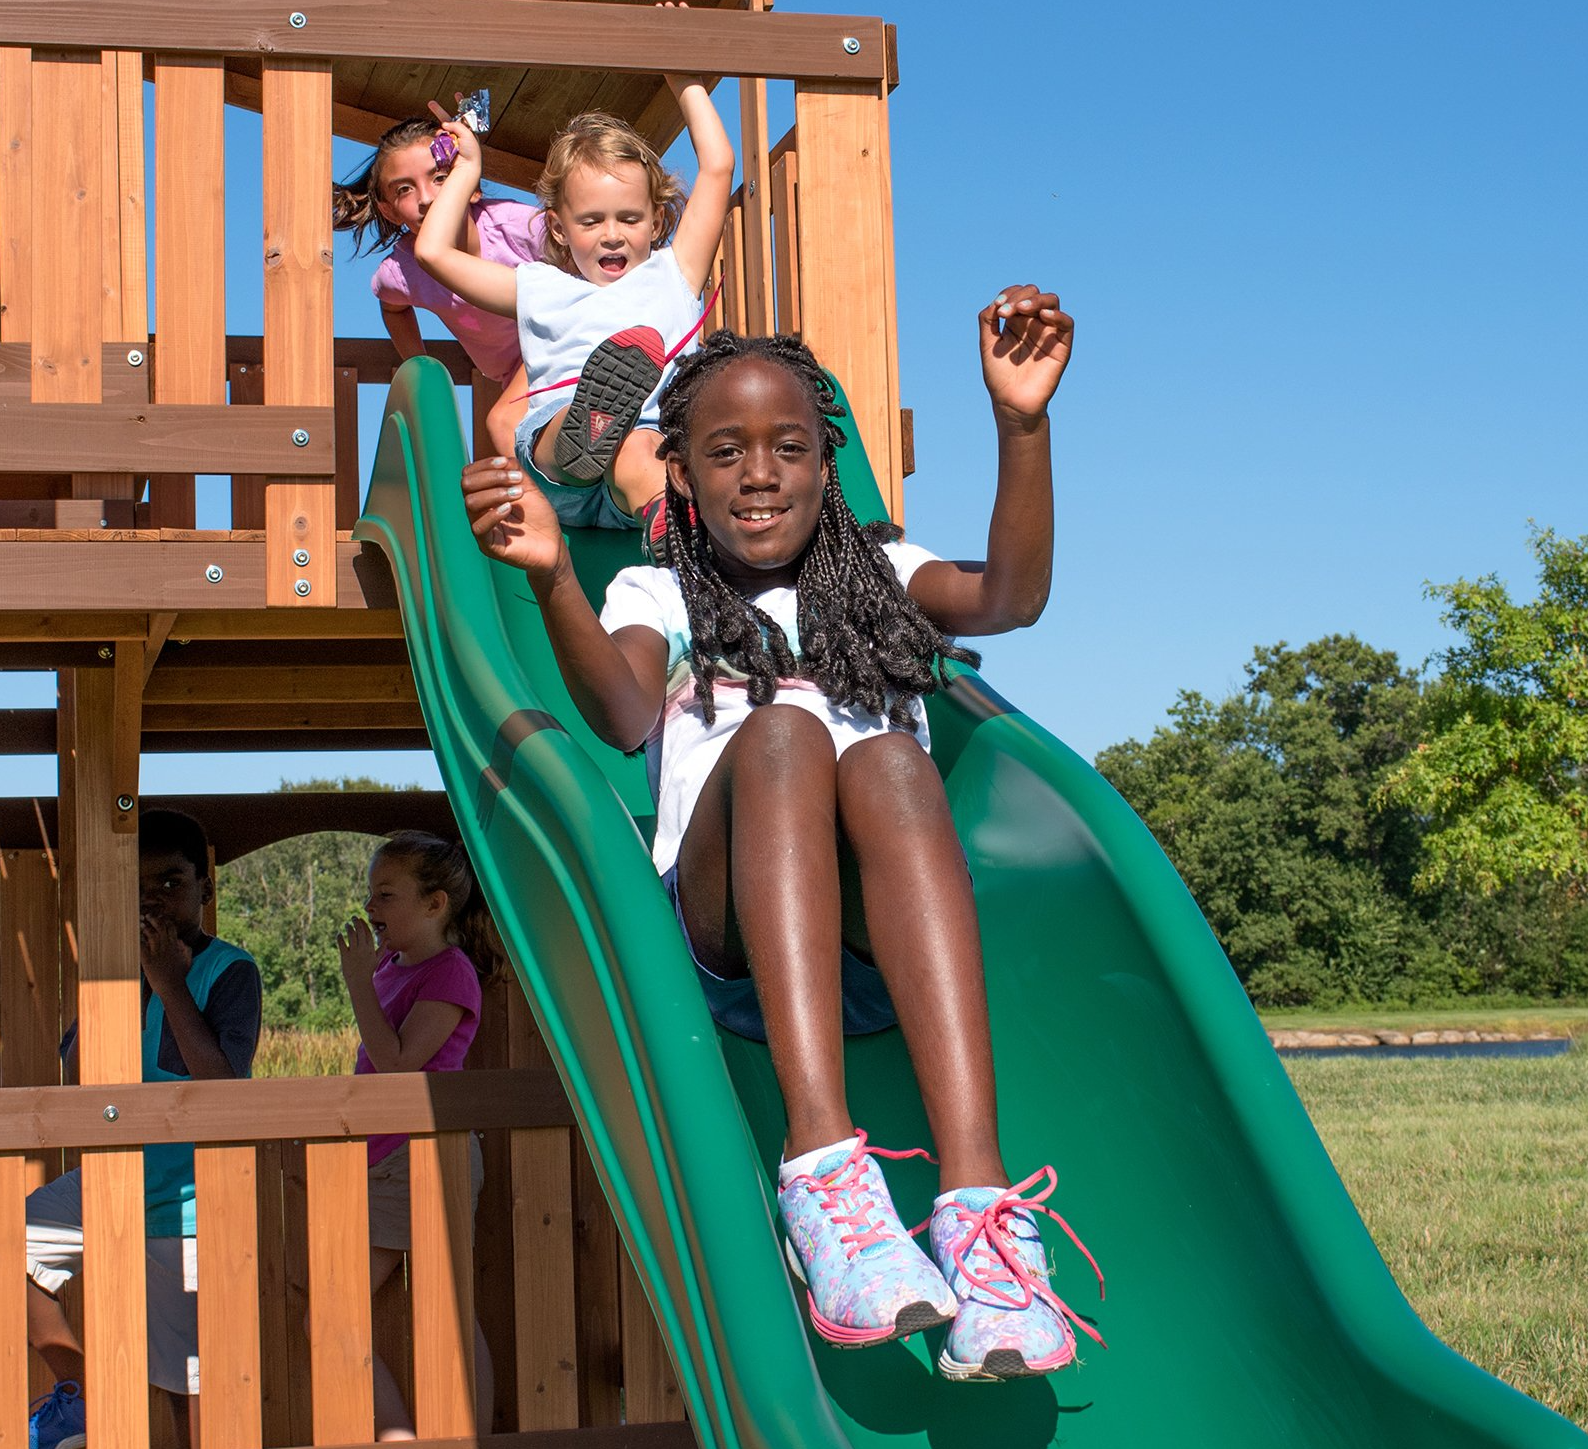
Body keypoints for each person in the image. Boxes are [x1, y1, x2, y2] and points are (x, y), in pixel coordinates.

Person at [458, 287, 1104, 1381]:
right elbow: (620, 713)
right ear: (680, 476)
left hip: (870, 944)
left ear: (826, 465)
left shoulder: (887, 579)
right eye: (723, 451)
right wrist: (557, 574)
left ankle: (978, 1214)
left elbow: (1010, 596)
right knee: (781, 734)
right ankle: (822, 1175)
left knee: (893, 757)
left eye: (787, 448)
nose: (758, 472)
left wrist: (1021, 424)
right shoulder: (655, 590)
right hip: (728, 934)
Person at [24, 808, 260, 1449]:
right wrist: (125, 978)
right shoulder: (112, 969)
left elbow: (219, 1085)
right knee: (3, 1244)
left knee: (182, 1374)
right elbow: (76, 1067)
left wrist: (168, 980)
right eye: (139, 888)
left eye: (171, 882)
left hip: (186, 1200)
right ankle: (82, 1395)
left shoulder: (231, 972)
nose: (155, 900)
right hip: (108, 1182)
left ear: (204, 887)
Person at [415, 7, 735, 535]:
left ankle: (669, 530)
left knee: (641, 448)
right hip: (562, 476)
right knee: (565, 427)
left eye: (630, 218)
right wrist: (467, 169)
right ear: (559, 230)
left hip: (660, 463)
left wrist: (685, 80)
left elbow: (717, 165)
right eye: (592, 221)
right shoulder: (540, 287)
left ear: (657, 221)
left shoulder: (673, 273)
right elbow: (434, 254)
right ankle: (587, 430)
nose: (613, 233)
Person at [336, 831, 494, 1442]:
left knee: (445, 1310)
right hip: (387, 1160)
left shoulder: (450, 972)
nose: (370, 907)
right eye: (370, 893)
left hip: (424, 1157)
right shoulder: (387, 967)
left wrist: (355, 982)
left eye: (385, 894)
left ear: (435, 905)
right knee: (334, 1313)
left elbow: (398, 1066)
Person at [332, 113, 546, 462]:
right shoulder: (403, 273)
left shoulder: (519, 228)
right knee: (524, 436)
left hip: (560, 346)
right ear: (389, 211)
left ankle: (545, 513)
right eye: (404, 189)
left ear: (471, 184)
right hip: (514, 374)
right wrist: (421, 365)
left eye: (441, 178)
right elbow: (392, 306)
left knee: (503, 421)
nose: (427, 198)